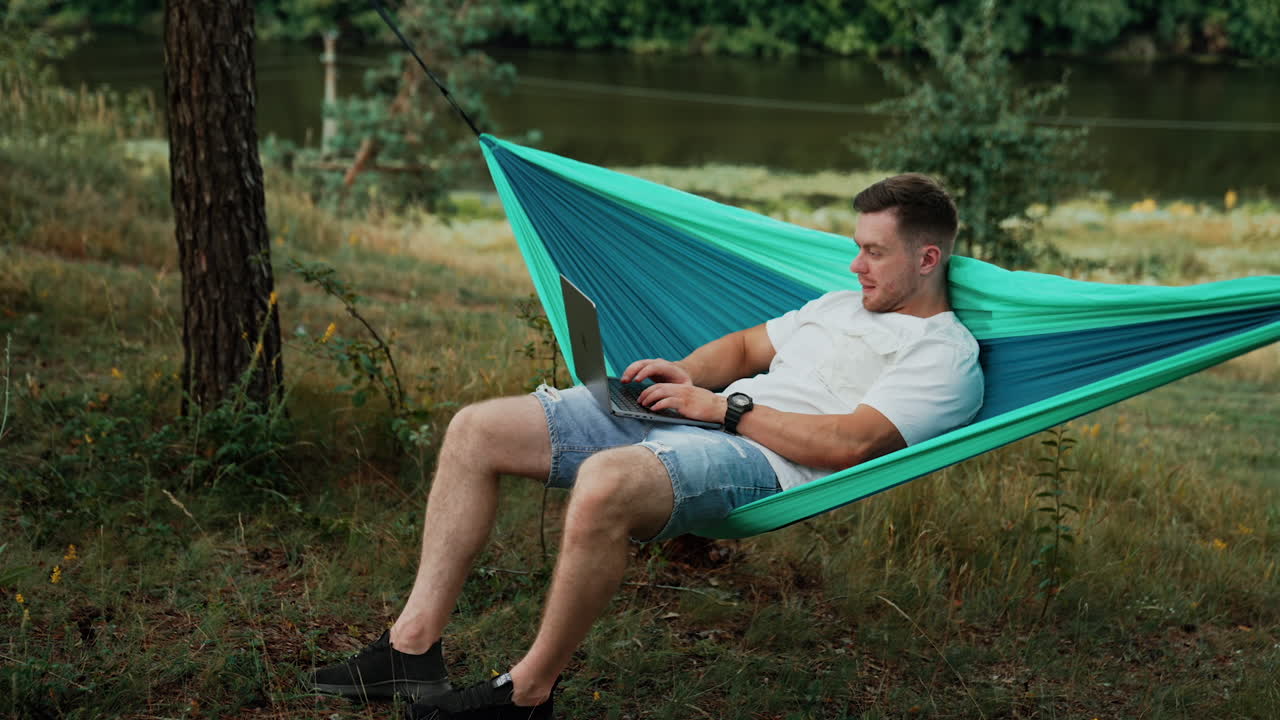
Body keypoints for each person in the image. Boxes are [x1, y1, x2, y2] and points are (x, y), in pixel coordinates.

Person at [307, 173, 984, 719]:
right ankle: (410, 650)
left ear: (928, 258)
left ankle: (527, 694)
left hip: (764, 460)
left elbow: (848, 443)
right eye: (857, 246)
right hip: (703, 412)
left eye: (874, 252)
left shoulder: (944, 356)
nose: (854, 263)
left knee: (606, 482)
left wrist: (722, 408)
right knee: (475, 429)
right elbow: (748, 346)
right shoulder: (840, 304)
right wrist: (690, 374)